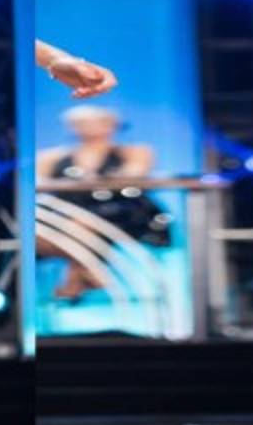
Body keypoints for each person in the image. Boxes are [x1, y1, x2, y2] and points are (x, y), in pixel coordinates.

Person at [36, 105, 167, 300]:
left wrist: (91, 181)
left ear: (113, 125)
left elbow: (134, 175)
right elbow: (36, 182)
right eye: (83, 123)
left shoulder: (134, 152)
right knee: (45, 232)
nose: (90, 127)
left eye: (98, 122)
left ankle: (76, 281)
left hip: (121, 213)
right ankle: (88, 272)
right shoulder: (51, 157)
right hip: (68, 215)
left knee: (82, 224)